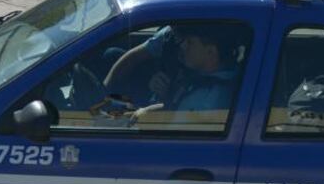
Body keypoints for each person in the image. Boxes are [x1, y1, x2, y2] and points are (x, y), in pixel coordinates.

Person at [104, 24, 245, 120]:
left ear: (210, 52)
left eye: (190, 42)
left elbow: (168, 130)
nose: (183, 46)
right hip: (160, 106)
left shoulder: (205, 102)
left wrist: (135, 115)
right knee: (112, 55)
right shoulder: (203, 74)